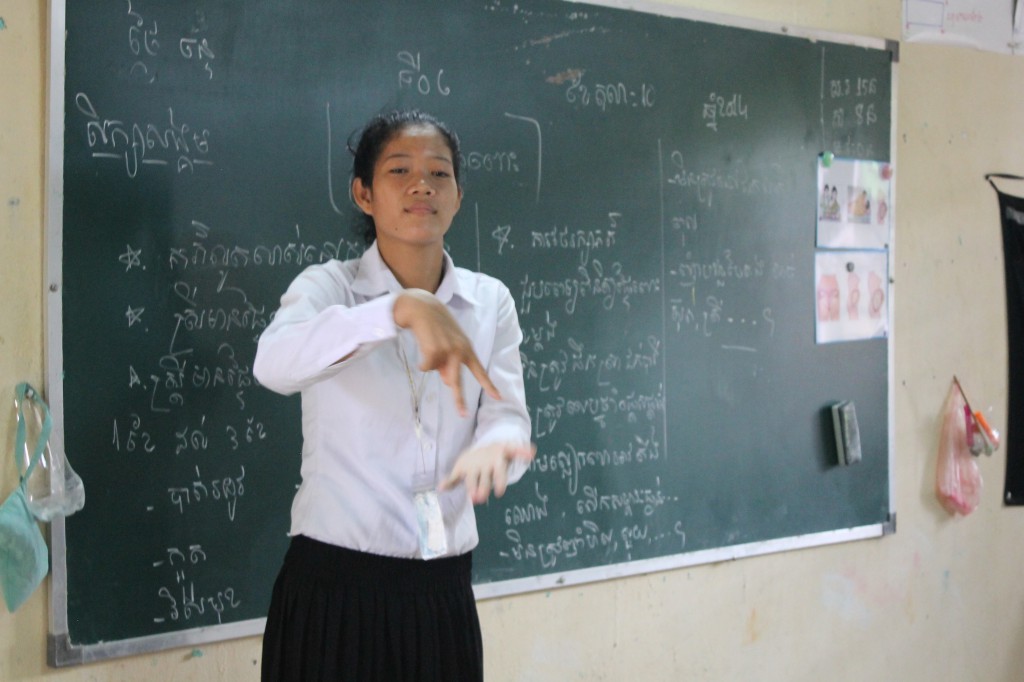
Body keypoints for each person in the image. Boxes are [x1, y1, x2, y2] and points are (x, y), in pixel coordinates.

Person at [254, 109, 535, 681]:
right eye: (399, 170)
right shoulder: (329, 287)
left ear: (458, 196)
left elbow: (506, 415)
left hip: (442, 593)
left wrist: (499, 447)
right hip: (332, 591)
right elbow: (274, 365)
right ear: (364, 193)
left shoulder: (490, 302)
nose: (422, 185)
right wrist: (396, 310)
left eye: (440, 173)